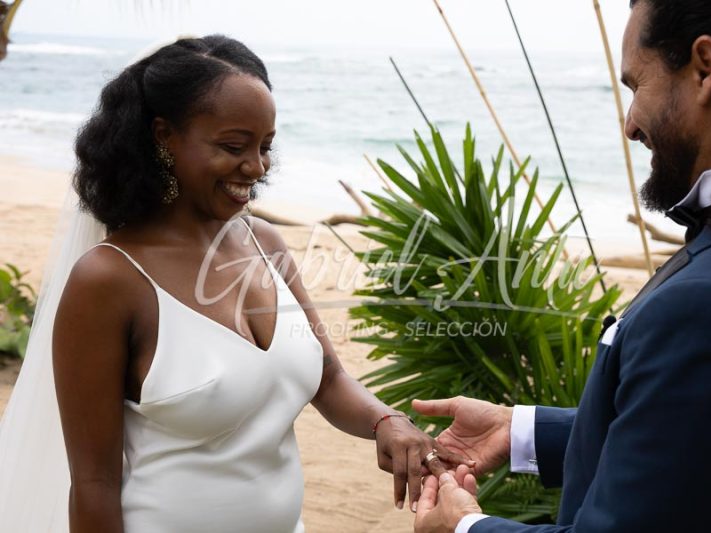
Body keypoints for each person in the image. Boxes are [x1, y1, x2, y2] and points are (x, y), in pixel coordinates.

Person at [0, 35, 469, 532]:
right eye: (233, 146)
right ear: (164, 137)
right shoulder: (109, 280)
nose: (257, 166)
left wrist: (386, 422)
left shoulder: (265, 243)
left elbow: (329, 379)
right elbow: (94, 484)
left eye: (265, 146)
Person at [412, 0, 711, 531]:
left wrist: (462, 527)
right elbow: (708, 439)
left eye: (637, 85)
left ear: (705, 68)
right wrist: (521, 432)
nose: (631, 124)